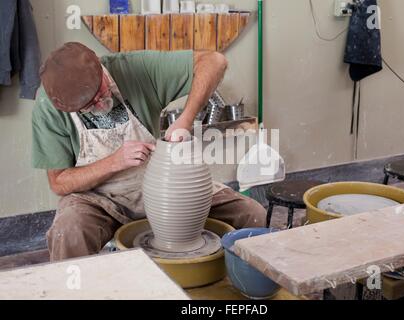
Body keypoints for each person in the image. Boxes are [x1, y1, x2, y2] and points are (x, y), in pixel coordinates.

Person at [32, 42, 266, 261]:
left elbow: (214, 61)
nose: (97, 102)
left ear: (99, 65)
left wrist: (185, 118)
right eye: (88, 105)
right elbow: (59, 182)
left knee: (251, 213)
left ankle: (247, 286)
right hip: (98, 198)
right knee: (69, 231)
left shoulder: (134, 68)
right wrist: (115, 162)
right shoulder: (48, 107)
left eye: (98, 92)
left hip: (160, 183)